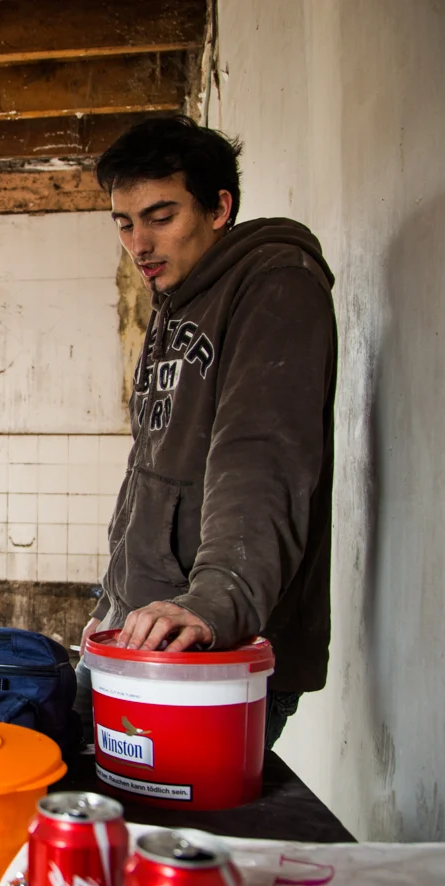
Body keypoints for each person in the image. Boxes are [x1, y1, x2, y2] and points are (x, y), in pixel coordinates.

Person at [78, 116, 337, 749]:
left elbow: (260, 458)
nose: (139, 242)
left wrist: (214, 602)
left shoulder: (276, 284)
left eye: (160, 217)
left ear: (219, 207)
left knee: (170, 836)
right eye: (124, 222)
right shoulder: (175, 303)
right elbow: (154, 470)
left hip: (208, 648)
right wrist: (113, 602)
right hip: (140, 631)